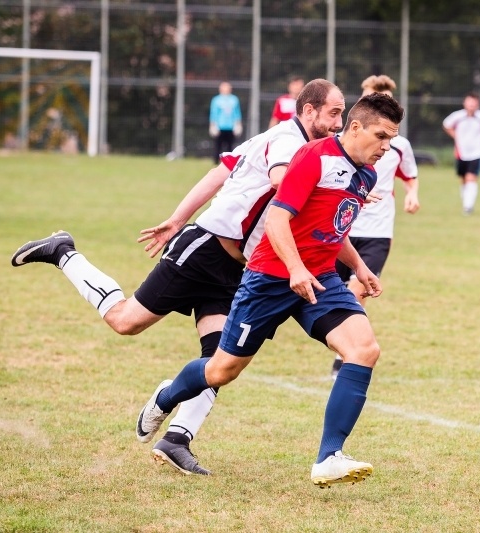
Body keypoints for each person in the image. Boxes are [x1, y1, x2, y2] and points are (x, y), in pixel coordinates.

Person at [10, 78, 347, 476]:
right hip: (203, 250)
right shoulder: (289, 142)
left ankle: (177, 439)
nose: (339, 123)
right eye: (334, 113)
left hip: (236, 269)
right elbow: (279, 180)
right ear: (308, 111)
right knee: (125, 322)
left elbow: (220, 172)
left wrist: (176, 217)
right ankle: (63, 252)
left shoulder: (291, 144)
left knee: (220, 359)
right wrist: (332, 186)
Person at [136, 93, 406, 488]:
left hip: (319, 279)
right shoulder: (313, 157)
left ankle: (329, 456)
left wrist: (360, 268)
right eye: (381, 135)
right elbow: (278, 219)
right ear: (355, 127)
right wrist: (294, 269)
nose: (386, 146)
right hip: (269, 277)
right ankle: (167, 396)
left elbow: (336, 227)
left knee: (364, 350)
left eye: (392, 139)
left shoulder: (365, 175)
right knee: (221, 370)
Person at [331, 74, 420, 379]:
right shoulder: (346, 141)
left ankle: (349, 356)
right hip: (344, 228)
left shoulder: (398, 146)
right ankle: (348, 346)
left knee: (356, 292)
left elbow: (410, 176)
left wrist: (413, 195)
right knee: (334, 295)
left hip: (378, 232)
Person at [442, 93, 480, 215]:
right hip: (461, 152)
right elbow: (446, 125)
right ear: (465, 103)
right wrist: (456, 137)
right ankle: (466, 202)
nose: (471, 106)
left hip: (476, 152)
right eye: (469, 103)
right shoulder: (457, 116)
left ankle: (468, 206)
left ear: (477, 105)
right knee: (463, 179)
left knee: (471, 178)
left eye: (474, 104)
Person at [209, 82, 243, 164]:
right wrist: (212, 125)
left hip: (230, 127)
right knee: (218, 146)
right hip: (220, 126)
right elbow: (213, 113)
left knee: (230, 146)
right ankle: (216, 162)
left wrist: (238, 124)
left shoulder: (234, 99)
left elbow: (237, 113)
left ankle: (230, 162)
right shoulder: (216, 100)